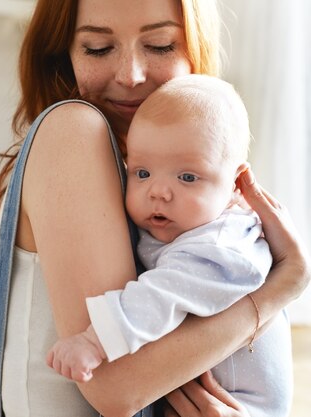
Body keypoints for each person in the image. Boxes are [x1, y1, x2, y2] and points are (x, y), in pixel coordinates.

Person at [0, 0, 311, 416]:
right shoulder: (74, 131)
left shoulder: (156, 181)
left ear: (195, 47)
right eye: (98, 48)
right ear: (62, 54)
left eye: (159, 46)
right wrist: (281, 288)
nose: (130, 75)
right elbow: (117, 387)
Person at [46, 74, 293, 417]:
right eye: (142, 173)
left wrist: (93, 341)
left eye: (187, 177)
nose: (158, 192)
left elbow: (163, 295)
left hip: (241, 405)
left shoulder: (223, 243)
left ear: (237, 183)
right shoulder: (186, 222)